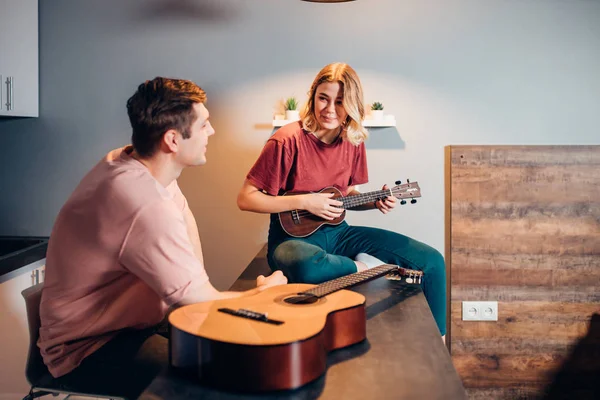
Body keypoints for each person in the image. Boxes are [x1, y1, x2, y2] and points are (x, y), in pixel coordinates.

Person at [38, 77, 287, 399]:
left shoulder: (131, 162)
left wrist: (199, 288)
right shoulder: (142, 202)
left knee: (235, 349)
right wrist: (265, 296)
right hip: (88, 349)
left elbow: (187, 247)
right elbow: (198, 300)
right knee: (230, 379)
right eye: (204, 125)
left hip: (132, 324)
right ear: (172, 140)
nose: (211, 132)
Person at [237, 63, 446, 340]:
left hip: (340, 234)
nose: (330, 109)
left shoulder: (353, 141)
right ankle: (362, 268)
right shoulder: (286, 140)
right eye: (323, 98)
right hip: (292, 242)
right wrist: (306, 201)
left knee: (432, 261)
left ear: (352, 105)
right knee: (305, 266)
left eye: (340, 102)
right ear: (313, 96)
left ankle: (438, 342)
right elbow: (246, 199)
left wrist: (375, 202)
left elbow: (346, 196)